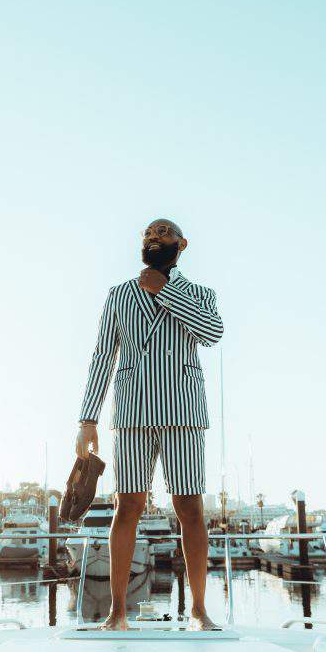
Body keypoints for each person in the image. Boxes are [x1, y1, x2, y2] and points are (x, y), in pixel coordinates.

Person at [74, 218, 225, 630]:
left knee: (189, 507)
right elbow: (102, 355)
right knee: (128, 506)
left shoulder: (199, 294)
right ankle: (116, 612)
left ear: (182, 244)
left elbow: (213, 333)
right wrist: (88, 418)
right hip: (132, 414)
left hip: (184, 412)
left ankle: (199, 610)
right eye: (148, 234)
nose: (153, 238)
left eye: (162, 233)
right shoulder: (119, 295)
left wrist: (167, 291)